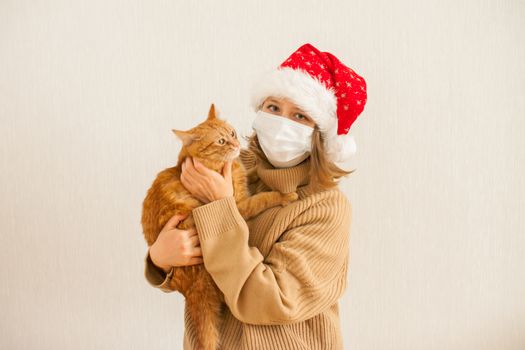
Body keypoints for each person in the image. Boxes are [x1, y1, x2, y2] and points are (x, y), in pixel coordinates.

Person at [144, 43, 367, 349]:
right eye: (273, 107)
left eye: (300, 116)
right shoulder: (232, 171)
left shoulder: (326, 208)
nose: (281, 122)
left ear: (321, 135)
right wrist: (160, 260)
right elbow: (198, 270)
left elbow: (269, 302)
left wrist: (221, 208)